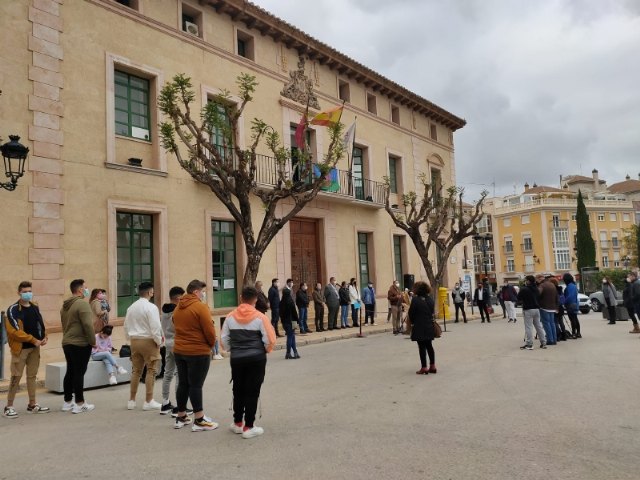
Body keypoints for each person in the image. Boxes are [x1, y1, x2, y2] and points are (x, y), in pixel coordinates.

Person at [221, 286, 276, 439]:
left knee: (238, 388)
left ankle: (237, 422)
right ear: (256, 299)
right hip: (256, 358)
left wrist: (233, 349)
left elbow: (224, 340)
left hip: (237, 358)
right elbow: (270, 339)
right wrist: (265, 350)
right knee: (253, 390)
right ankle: (249, 426)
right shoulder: (260, 317)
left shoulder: (230, 317)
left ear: (240, 297)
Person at [173, 279, 218, 431]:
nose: (204, 294)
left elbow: (175, 324)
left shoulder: (179, 306)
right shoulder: (200, 307)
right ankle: (199, 419)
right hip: (198, 351)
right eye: (203, 292)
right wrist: (211, 345)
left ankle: (181, 416)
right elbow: (210, 330)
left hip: (180, 350)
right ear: (196, 292)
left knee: (184, 383)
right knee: (196, 385)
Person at [3, 281, 50, 418]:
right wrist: (32, 339)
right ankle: (9, 406)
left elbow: (40, 323)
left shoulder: (34, 307)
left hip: (35, 349)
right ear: (19, 293)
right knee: (16, 376)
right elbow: (14, 331)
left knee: (32, 376)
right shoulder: (13, 309)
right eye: (25, 291)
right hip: (21, 349)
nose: (28, 294)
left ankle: (32, 404)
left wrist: (44, 337)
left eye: (29, 291)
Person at [124, 281, 163, 411]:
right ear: (149, 292)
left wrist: (129, 340)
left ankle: (131, 400)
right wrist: (158, 342)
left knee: (136, 371)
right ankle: (148, 400)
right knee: (151, 370)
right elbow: (156, 327)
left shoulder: (131, 307)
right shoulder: (151, 307)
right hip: (148, 340)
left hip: (134, 340)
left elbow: (126, 326)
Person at [60, 279, 96, 413]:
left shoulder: (65, 306)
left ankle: (67, 401)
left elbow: (64, 325)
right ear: (80, 290)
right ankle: (79, 403)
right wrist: (93, 341)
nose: (87, 290)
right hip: (80, 343)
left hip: (67, 342)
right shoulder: (82, 304)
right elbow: (88, 325)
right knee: (79, 373)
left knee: (70, 371)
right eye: (85, 288)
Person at [160, 286, 189, 416]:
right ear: (178, 298)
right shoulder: (177, 312)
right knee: (180, 374)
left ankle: (165, 403)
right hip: (177, 344)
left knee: (168, 373)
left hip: (168, 343)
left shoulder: (164, 312)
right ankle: (179, 406)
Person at [408, 281, 437, 375]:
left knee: (421, 347)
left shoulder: (415, 300)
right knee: (429, 346)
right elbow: (432, 311)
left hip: (419, 326)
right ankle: (432, 366)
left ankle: (424, 367)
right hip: (429, 325)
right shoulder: (430, 299)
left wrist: (412, 323)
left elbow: (411, 313)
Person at [517, 275, 547, 350]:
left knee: (528, 327)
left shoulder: (524, 289)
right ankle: (543, 342)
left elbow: (518, 297)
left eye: (526, 280)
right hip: (536, 309)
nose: (525, 281)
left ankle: (529, 344)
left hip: (528, 309)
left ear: (528, 281)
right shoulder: (536, 288)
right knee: (538, 326)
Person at [280, 279, 300, 359]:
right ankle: (289, 352)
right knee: (291, 337)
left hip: (285, 321)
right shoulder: (290, 302)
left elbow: (280, 313)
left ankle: (295, 352)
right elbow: (294, 313)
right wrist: (297, 320)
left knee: (291, 336)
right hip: (292, 321)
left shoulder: (281, 303)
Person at [537, 275, 558, 345]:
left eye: (537, 279)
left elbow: (538, 294)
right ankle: (554, 339)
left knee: (546, 324)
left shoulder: (542, 285)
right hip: (552, 307)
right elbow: (556, 296)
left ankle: (550, 340)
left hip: (544, 307)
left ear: (540, 279)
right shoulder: (552, 285)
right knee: (552, 323)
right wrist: (556, 307)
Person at [562, 273, 581, 339]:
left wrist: (564, 302)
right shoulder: (574, 285)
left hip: (570, 304)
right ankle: (578, 333)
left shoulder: (569, 287)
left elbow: (569, 297)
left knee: (572, 319)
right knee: (575, 318)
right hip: (575, 303)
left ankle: (574, 333)